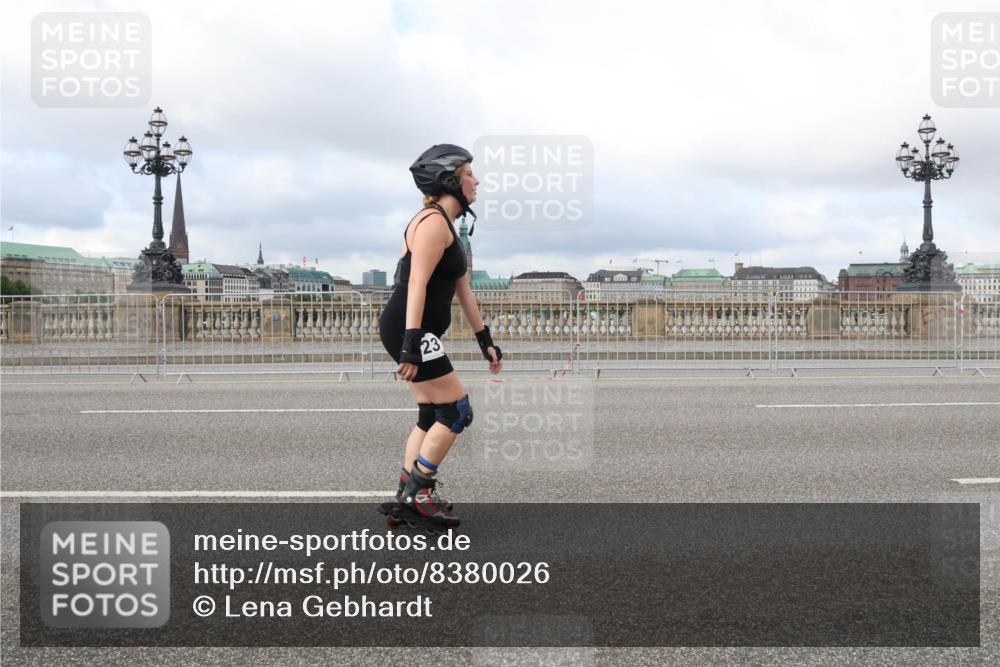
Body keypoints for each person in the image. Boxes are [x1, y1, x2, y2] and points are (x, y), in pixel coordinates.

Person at [378, 144, 503, 526]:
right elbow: (415, 282)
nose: (476, 180)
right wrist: (412, 341)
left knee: (430, 413)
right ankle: (420, 493)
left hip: (414, 328)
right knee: (456, 410)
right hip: (409, 327)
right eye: (469, 174)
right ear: (450, 180)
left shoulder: (448, 227)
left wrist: (486, 340)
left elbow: (464, 290)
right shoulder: (431, 222)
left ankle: (406, 494)